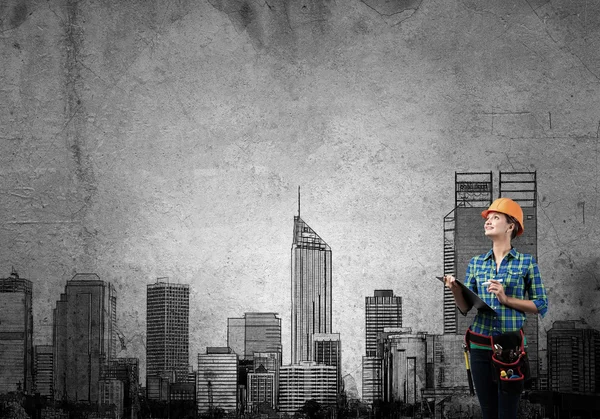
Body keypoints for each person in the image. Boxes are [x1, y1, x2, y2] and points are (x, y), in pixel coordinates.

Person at [444, 197, 548, 419]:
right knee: (488, 413)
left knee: (507, 414)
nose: (488, 221)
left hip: (509, 348)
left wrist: (505, 298)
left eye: (495, 217)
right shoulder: (476, 263)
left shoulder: (526, 262)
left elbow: (541, 304)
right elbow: (465, 308)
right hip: (479, 345)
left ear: (511, 226)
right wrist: (454, 288)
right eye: (487, 218)